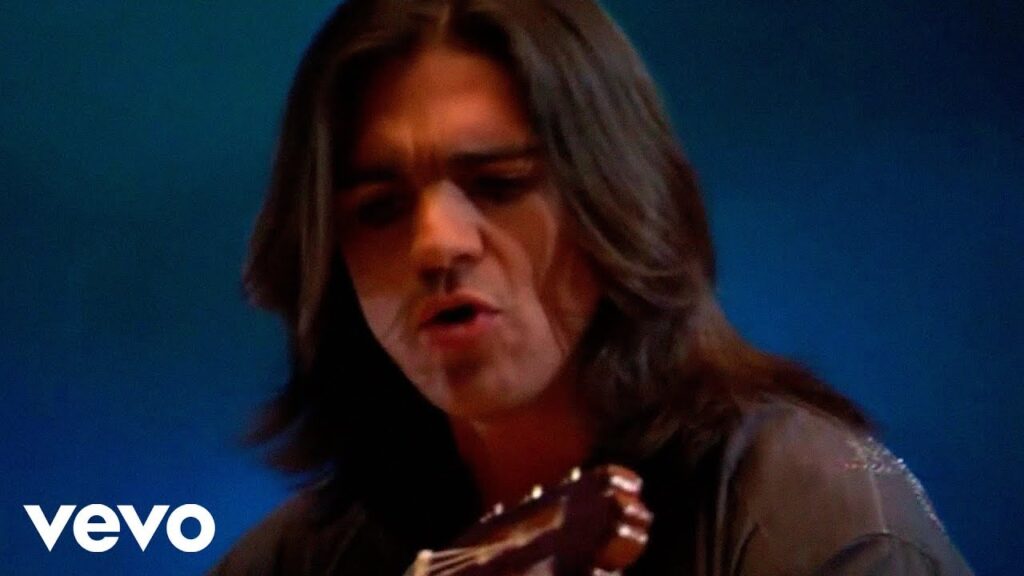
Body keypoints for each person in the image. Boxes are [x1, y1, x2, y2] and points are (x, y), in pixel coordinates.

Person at [211, 0, 971, 574]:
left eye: (500, 184)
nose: (436, 245)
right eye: (379, 209)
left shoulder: (817, 515)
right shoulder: (296, 559)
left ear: (619, 201)